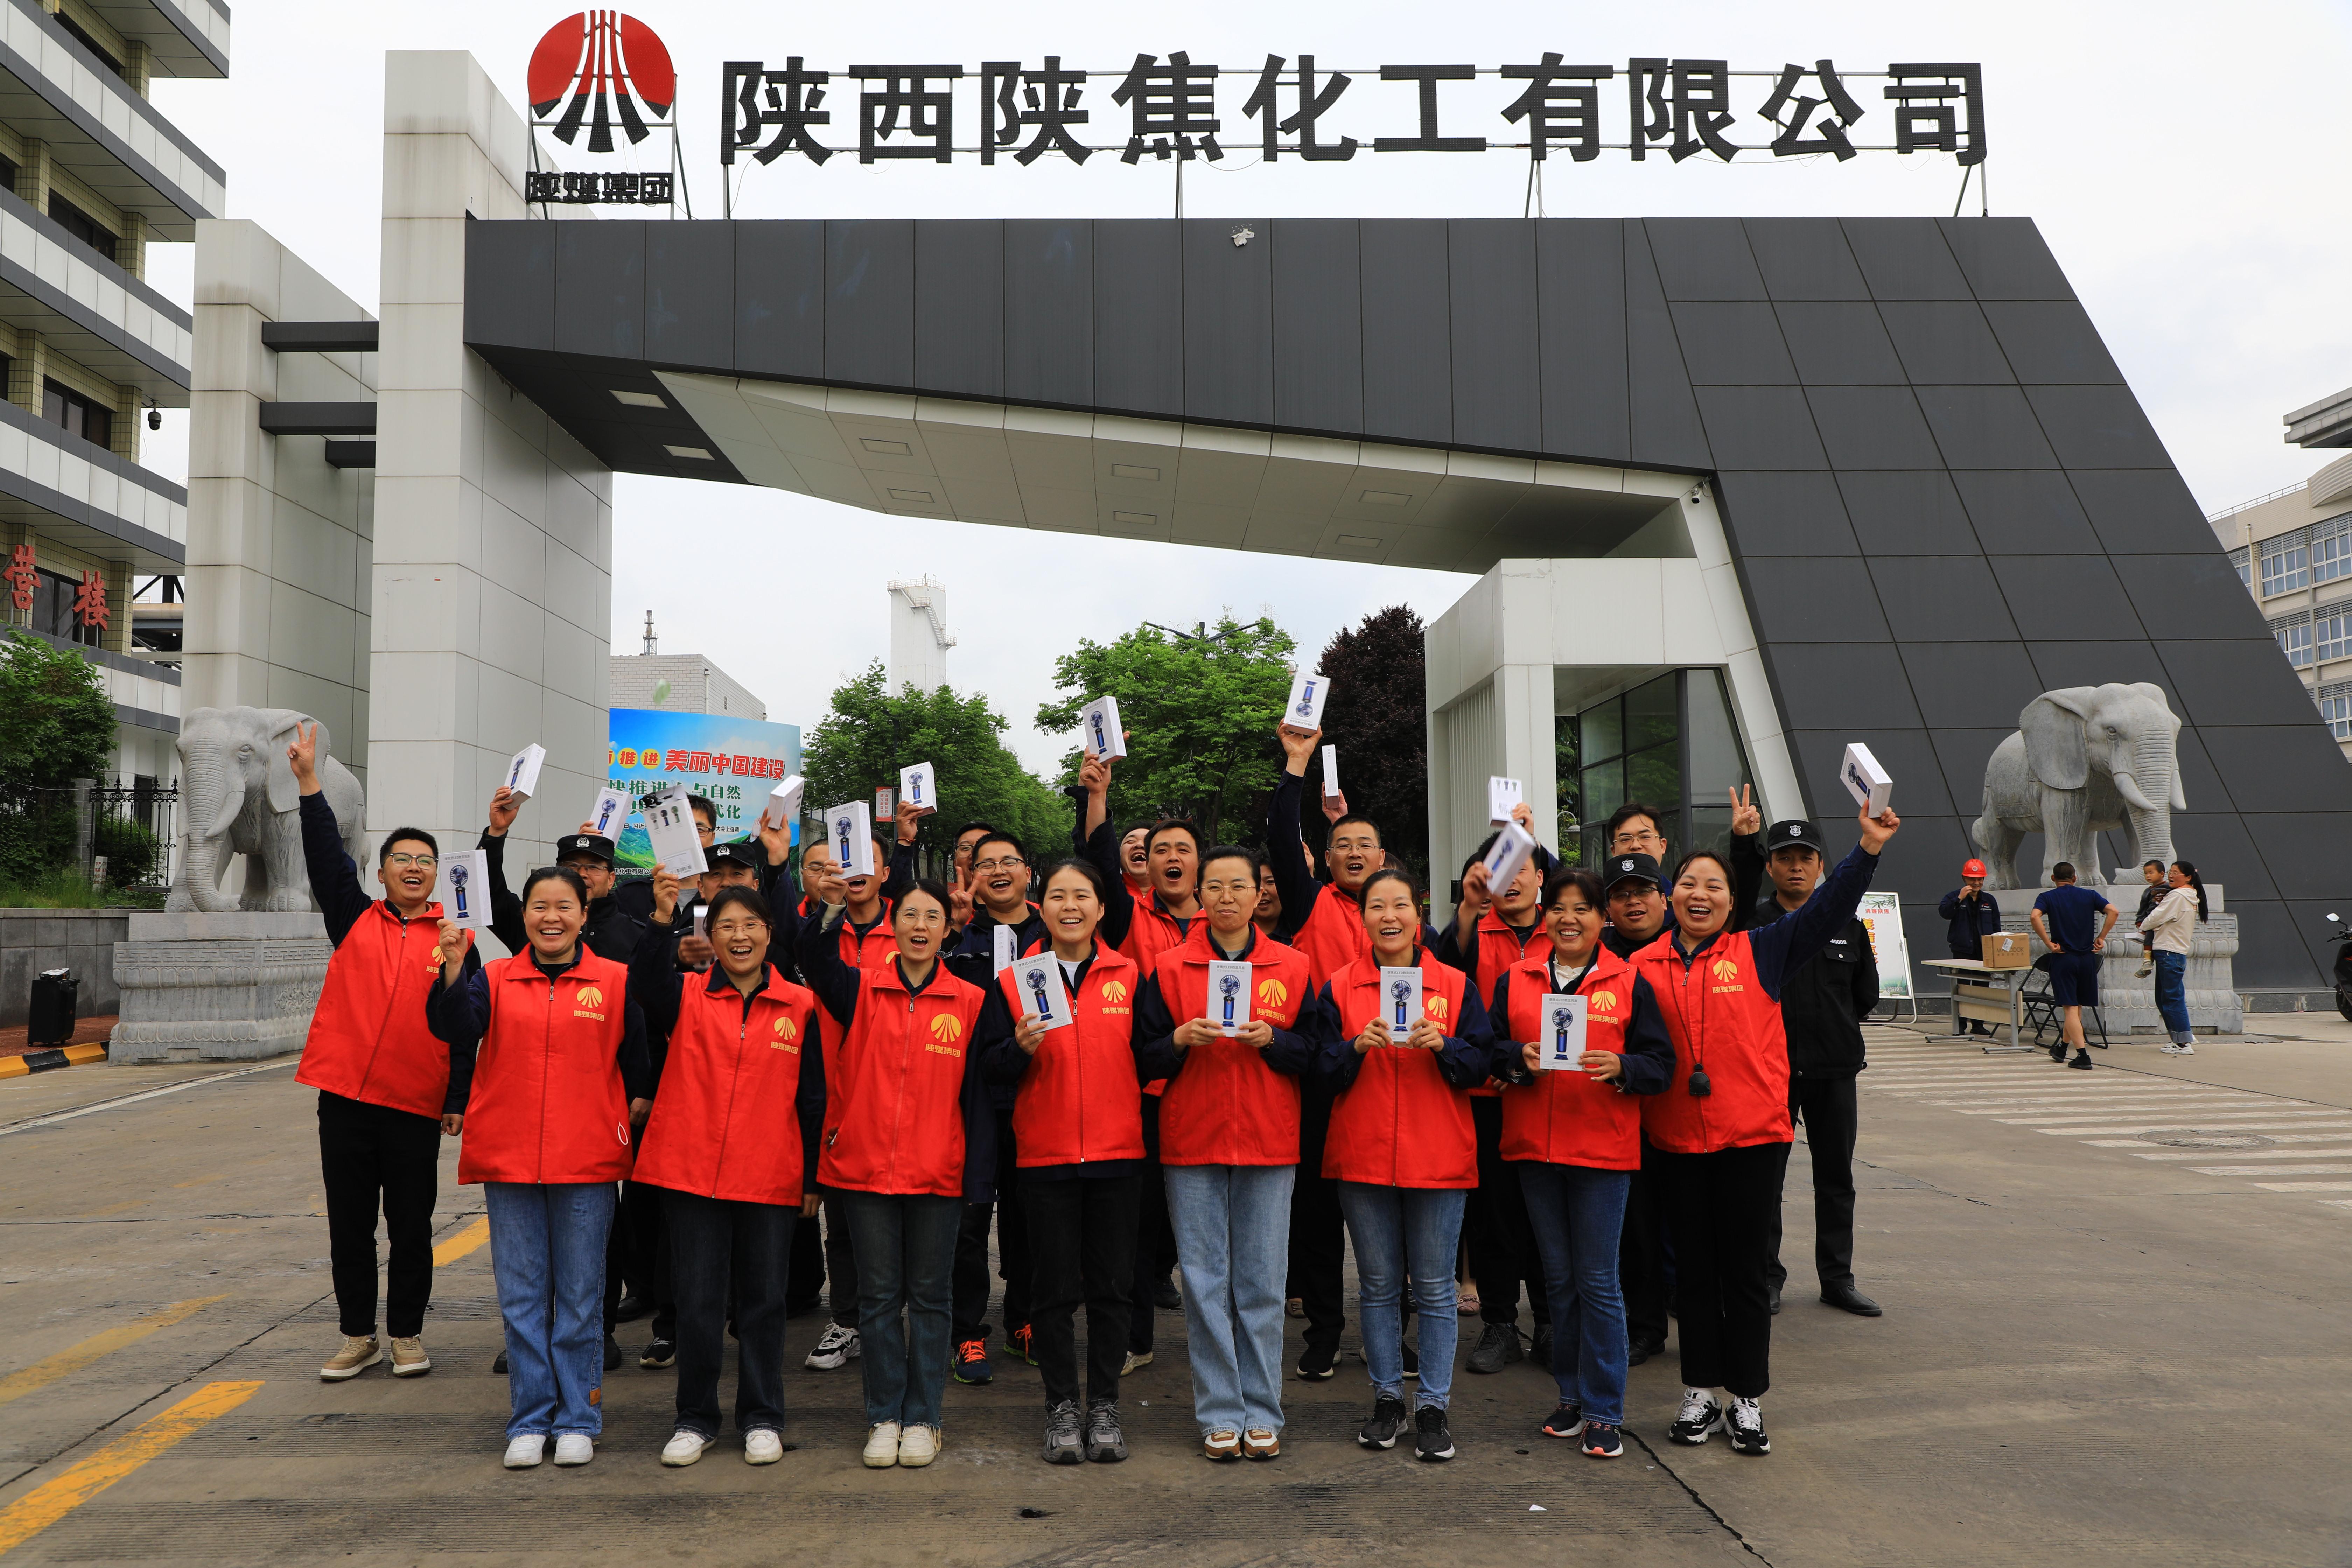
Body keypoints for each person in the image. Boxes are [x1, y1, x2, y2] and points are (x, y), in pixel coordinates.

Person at [1636, 803, 1899, 1459]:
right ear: (1671, 897)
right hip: (1676, 1143)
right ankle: (1699, 1391)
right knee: (1694, 1276)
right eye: (1689, 884)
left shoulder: (1762, 949)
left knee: (1747, 1275)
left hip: (1752, 1140)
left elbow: (1828, 910)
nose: (1700, 894)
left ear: (1733, 903)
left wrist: (1867, 849)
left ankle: (1746, 1398)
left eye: (1715, 886)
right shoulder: (1641, 966)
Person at [426, 867, 653, 1469]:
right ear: (524, 915)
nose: (551, 918)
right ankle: (530, 1419)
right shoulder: (495, 978)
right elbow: (454, 1027)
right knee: (522, 1298)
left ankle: (578, 1417)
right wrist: (453, 967)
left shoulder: (615, 980)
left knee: (580, 1298)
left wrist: (625, 1117)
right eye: (539, 907)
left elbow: (639, 1062)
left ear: (584, 915)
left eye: (564, 907)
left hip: (587, 1161)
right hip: (510, 1158)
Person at [289, 721, 473, 1383]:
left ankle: (406, 1336)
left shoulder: (454, 940)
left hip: (414, 1105)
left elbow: (465, 1027)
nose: (414, 868)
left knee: (412, 1228)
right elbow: (324, 855)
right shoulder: (354, 917)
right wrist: (309, 782)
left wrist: (456, 1099)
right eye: (402, 859)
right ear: (381, 871)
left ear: (436, 875)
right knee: (350, 1227)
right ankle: (357, 1336)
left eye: (425, 861)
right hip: (344, 1098)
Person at [796, 878, 993, 1470]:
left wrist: (975, 1176)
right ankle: (884, 1415)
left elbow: (978, 1099)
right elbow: (814, 957)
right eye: (909, 914)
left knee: (931, 1299)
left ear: (947, 930)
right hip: (864, 1171)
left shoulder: (971, 1001)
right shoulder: (859, 988)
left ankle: (925, 1416)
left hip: (937, 1171)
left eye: (932, 916)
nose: (920, 926)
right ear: (894, 924)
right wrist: (833, 904)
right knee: (878, 1300)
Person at [629, 879, 824, 1468]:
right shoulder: (687, 995)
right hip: (692, 1176)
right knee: (697, 1303)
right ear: (710, 937)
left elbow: (812, 1098)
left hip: (768, 1174)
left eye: (751, 925)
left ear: (769, 933)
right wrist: (662, 922)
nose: (740, 937)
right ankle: (695, 1418)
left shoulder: (800, 1005)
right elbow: (646, 984)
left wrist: (812, 1178)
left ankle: (763, 1416)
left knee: (763, 1303)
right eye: (727, 927)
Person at [1134, 846, 1315, 1461]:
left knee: (1262, 1283)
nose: (1228, 897)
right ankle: (1219, 1412)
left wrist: (1276, 1041)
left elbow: (1316, 1054)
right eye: (1215, 886)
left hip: (1269, 1140)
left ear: (1259, 894)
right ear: (1200, 896)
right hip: (1193, 1140)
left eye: (1240, 885)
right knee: (1205, 1282)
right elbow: (1143, 1056)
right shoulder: (1169, 968)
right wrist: (1179, 1039)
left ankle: (1262, 1410)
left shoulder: (1293, 966)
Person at [1488, 867, 1674, 1460]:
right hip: (1535, 1152)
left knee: (1597, 1282)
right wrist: (1517, 1057)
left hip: (1601, 1153)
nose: (1569, 919)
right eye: (1559, 908)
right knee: (1559, 1281)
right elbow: (1488, 1048)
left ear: (1602, 919)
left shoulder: (1629, 980)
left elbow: (1660, 1064)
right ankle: (1570, 1397)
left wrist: (1623, 1068)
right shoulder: (1516, 978)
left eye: (1583, 909)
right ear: (1545, 916)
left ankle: (1604, 1410)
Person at [1308, 867, 1493, 1463]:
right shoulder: (1340, 987)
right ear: (1362, 918)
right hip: (1363, 1158)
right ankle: (1387, 1398)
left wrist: (1446, 1046)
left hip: (1438, 1158)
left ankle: (1434, 1406)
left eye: (1401, 906)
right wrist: (1353, 1048)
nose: (1389, 916)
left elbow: (1482, 1063)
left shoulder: (1456, 986)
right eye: (1377, 906)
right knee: (1379, 1287)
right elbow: (1318, 1070)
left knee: (1436, 1289)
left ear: (1419, 914)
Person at [978, 858, 1152, 1464]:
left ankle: (1104, 1406)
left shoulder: (1130, 975)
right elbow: (989, 1065)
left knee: (1112, 1291)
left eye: (1082, 896)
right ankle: (1061, 1408)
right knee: (1051, 1293)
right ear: (1041, 906)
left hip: (1117, 1157)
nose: (1070, 906)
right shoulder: (1015, 981)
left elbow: (1151, 1056)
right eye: (1057, 896)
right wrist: (1018, 1049)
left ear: (1102, 909)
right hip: (1045, 1159)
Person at [1266, 725, 1385, 1381]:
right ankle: (1325, 1331)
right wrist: (1297, 765)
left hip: (1389, 1078)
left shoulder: (1399, 916)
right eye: (1343, 845)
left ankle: (1385, 1336)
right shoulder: (1312, 902)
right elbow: (1283, 838)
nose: (1354, 853)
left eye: (1365, 845)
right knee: (1315, 1214)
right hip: (1320, 1076)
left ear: (1383, 857)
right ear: (1326, 859)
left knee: (1385, 1220)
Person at [796, 811, 922, 1377]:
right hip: (834, 1093)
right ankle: (847, 1319)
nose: (857, 871)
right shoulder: (823, 929)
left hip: (903, 1094)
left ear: (886, 873)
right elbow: (812, 963)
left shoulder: (911, 925)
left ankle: (900, 1317)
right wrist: (827, 909)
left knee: (906, 1222)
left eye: (871, 861)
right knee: (843, 1223)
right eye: (848, 861)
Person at [1076, 757, 1189, 1373]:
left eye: (1179, 849)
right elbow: (1098, 856)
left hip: (1213, 1091)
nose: (1166, 857)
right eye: (1155, 848)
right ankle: (1136, 1339)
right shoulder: (1127, 917)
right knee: (1138, 1223)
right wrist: (1099, 797)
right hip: (1146, 1089)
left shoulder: (1222, 923)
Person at [1438, 805, 1560, 1376]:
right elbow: (1444, 975)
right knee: (1493, 1217)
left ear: (1541, 877)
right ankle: (1499, 1324)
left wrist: (1528, 837)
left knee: (1546, 1215)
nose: (1512, 881)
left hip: (1551, 1096)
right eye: (1501, 870)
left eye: (1522, 868)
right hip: (1486, 1098)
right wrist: (1467, 911)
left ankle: (1551, 1323)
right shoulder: (1473, 932)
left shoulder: (1563, 930)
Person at [1755, 821, 1883, 1319]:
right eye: (1785, 858)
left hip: (1834, 1068)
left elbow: (1865, 995)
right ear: (1770, 867)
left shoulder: (1846, 923)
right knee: (1766, 1182)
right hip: (1771, 1073)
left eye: (1805, 858)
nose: (1796, 867)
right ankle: (1767, 1277)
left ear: (1821, 866)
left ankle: (1837, 1279)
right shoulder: (1753, 925)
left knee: (1836, 1179)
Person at [942, 831, 1046, 1386]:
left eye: (1010, 860)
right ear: (972, 875)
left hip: (1038, 1091)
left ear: (1029, 872)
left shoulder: (1052, 930)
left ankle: (1024, 1321)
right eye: (987, 864)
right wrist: (955, 932)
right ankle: (966, 1332)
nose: (999, 870)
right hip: (972, 1098)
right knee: (970, 1218)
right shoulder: (960, 935)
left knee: (1030, 1217)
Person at [2029, 864, 2119, 1071]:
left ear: (2053, 878)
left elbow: (2035, 916)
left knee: (2069, 1008)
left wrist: (2048, 943)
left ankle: (2083, 1056)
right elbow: (2113, 911)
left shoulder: (2047, 897)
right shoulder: (2090, 895)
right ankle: (2062, 1048)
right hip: (2087, 958)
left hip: (2064, 958)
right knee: (2077, 1007)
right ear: (2075, 878)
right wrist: (2101, 937)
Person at [2139, 861, 2208, 1055]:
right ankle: (2181, 1037)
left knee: (2171, 998)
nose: (2171, 875)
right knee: (2165, 997)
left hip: (2169, 952)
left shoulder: (2177, 896)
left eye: (2176, 873)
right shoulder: (2187, 895)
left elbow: (2156, 917)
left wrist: (2143, 926)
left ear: (2188, 878)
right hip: (2171, 952)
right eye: (2171, 872)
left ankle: (2183, 1042)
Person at [1937, 860, 2003, 1037]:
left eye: (1980, 879)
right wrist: (1959, 899)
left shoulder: (1989, 900)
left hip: (1984, 952)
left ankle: (1978, 1024)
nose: (1976, 883)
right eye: (1972, 879)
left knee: (1982, 989)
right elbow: (1945, 913)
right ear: (1964, 878)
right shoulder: (1953, 897)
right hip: (1962, 951)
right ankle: (1960, 1024)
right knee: (1963, 988)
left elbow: (1996, 926)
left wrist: (1996, 948)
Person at [2132, 860, 2166, 979]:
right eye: (2146, 873)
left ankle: (2148, 963)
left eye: (2151, 873)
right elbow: (2143, 908)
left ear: (2162, 874)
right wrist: (2140, 922)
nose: (2148, 876)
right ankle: (2147, 961)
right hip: (2151, 921)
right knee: (2149, 938)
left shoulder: (2171, 888)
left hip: (2165, 921)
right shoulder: (2148, 892)